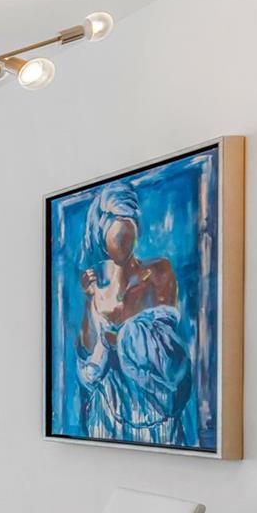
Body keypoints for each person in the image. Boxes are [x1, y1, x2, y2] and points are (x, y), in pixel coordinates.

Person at [74, 181, 194, 445]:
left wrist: (118, 339)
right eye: (115, 237)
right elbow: (88, 371)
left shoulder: (159, 273)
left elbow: (169, 359)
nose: (122, 244)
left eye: (127, 234)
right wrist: (89, 300)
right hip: (107, 415)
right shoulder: (96, 288)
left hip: (154, 416)